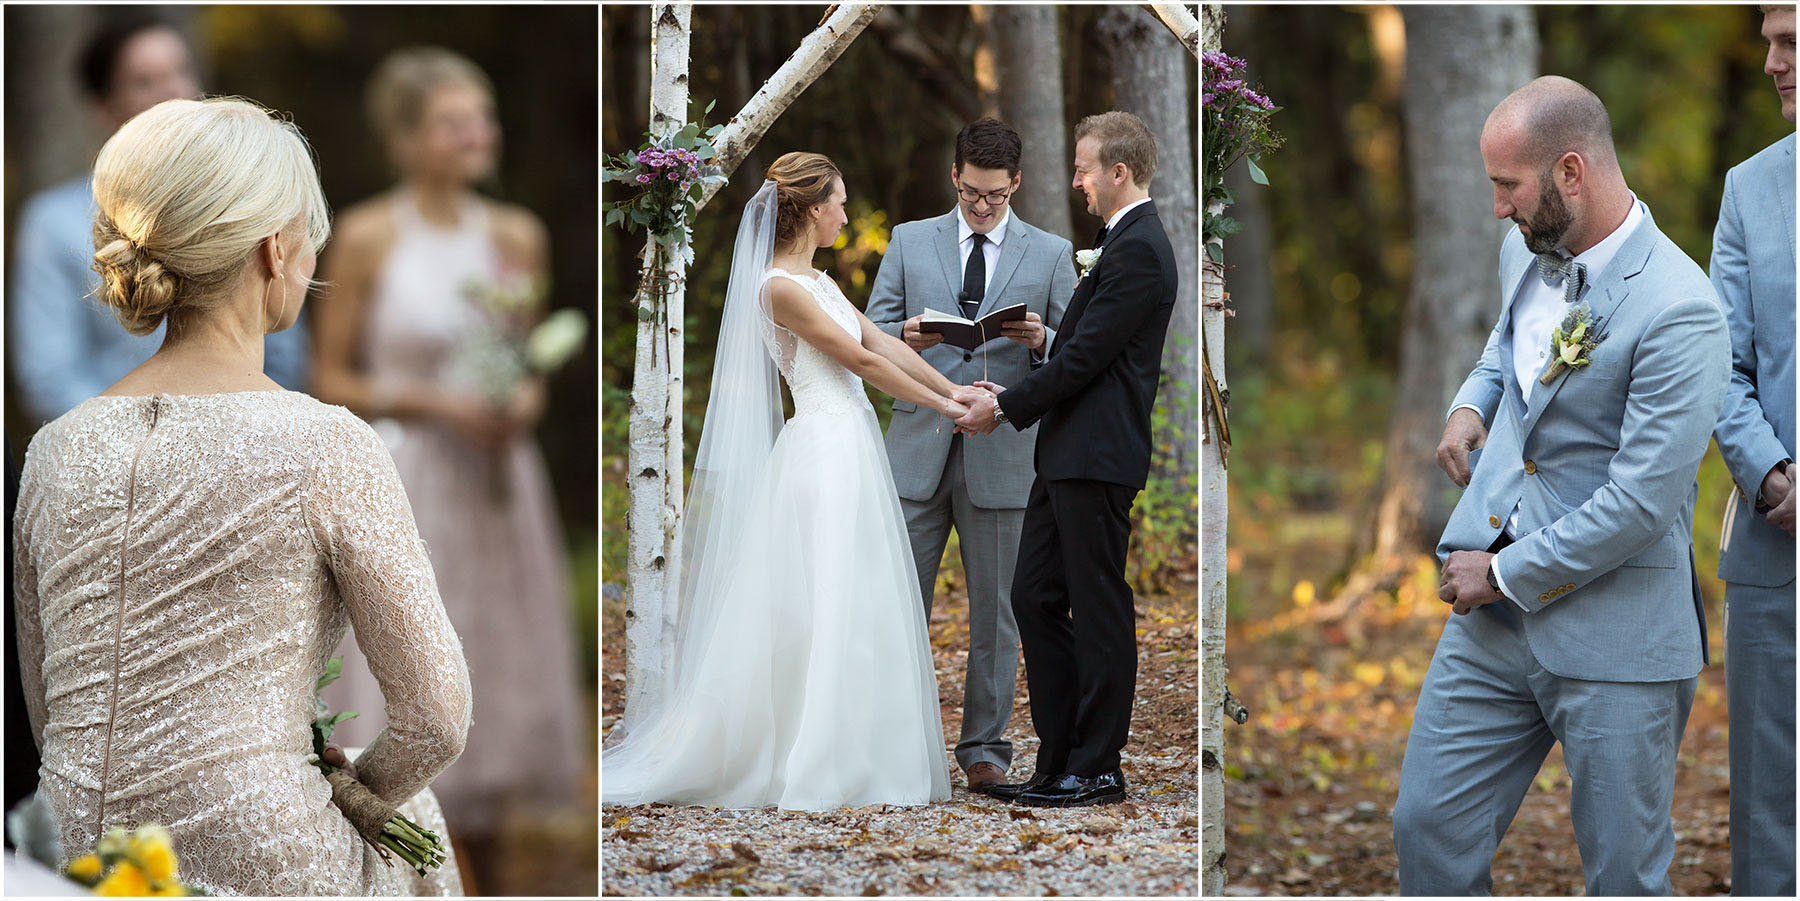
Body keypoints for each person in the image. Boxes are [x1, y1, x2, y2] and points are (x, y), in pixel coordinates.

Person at [12, 97, 470, 896]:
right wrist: (357, 793)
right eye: (308, 240)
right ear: (273, 249)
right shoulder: (327, 443)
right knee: (414, 819)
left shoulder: (53, 450)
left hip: (67, 855)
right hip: (259, 846)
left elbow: (52, 712)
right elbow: (437, 718)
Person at [1396, 77, 1730, 894]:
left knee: (1622, 870)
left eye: (1508, 186)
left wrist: (1502, 570)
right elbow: (1505, 346)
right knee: (1428, 823)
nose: (1498, 209)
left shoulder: (1681, 310)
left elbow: (1642, 504)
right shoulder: (1526, 248)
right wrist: (1471, 404)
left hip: (1616, 630)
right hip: (1492, 625)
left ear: (1571, 173)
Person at [602, 153, 966, 810]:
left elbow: (879, 342)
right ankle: (817, 759)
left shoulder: (818, 281)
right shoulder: (778, 287)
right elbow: (851, 357)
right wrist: (943, 411)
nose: (847, 214)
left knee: (858, 594)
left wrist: (955, 389)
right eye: (841, 202)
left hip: (852, 442)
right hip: (822, 448)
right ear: (810, 207)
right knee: (825, 599)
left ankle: (865, 751)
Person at [309, 47, 585, 872]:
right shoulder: (363, 234)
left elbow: (523, 356)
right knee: (413, 653)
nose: (477, 134)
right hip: (408, 474)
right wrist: (436, 403)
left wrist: (522, 401)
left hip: (500, 482)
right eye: (453, 121)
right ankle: (393, 854)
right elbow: (330, 375)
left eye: (483, 117)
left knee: (495, 647)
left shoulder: (515, 234)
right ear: (404, 137)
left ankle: (488, 869)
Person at [954, 111, 1179, 808]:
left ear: (1118, 171)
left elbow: (1088, 360)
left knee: (1098, 604)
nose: (1075, 181)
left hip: (1097, 455)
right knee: (1035, 595)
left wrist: (1008, 406)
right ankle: (1056, 760)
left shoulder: (1141, 248)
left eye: (1083, 168)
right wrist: (1022, 378)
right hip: (1067, 453)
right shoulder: (1118, 242)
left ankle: (1099, 765)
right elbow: (1082, 350)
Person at [865, 117, 1073, 793]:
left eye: (996, 196)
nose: (982, 207)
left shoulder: (1050, 252)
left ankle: (985, 747)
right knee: (896, 601)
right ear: (955, 175)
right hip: (917, 446)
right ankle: (892, 738)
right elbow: (869, 332)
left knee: (997, 612)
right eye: (973, 193)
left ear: (1017, 183)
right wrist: (908, 337)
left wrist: (1042, 338)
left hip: (1004, 454)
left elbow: (1077, 353)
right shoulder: (907, 240)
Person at [8, 16, 308, 425]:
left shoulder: (244, 202)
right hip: (110, 448)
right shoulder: (53, 222)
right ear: (102, 107)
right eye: (145, 81)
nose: (174, 92)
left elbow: (281, 342)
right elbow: (49, 370)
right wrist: (143, 446)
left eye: (180, 71)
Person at [1710, 5, 1797, 893]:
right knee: (1771, 808)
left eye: (1792, 41)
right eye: (1770, 40)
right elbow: (1721, 367)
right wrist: (1773, 475)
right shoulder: (1749, 187)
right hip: (1781, 544)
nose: (1772, 62)